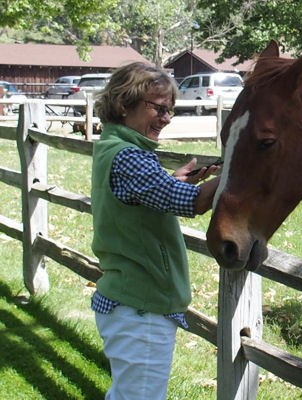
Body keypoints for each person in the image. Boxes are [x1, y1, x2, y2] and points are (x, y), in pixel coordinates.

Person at [90, 61, 220, 399]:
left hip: (128, 304)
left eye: (170, 111)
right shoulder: (131, 157)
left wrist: (169, 182)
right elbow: (191, 202)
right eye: (159, 108)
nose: (166, 118)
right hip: (140, 311)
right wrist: (241, 172)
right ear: (124, 103)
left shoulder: (112, 148)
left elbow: (146, 195)